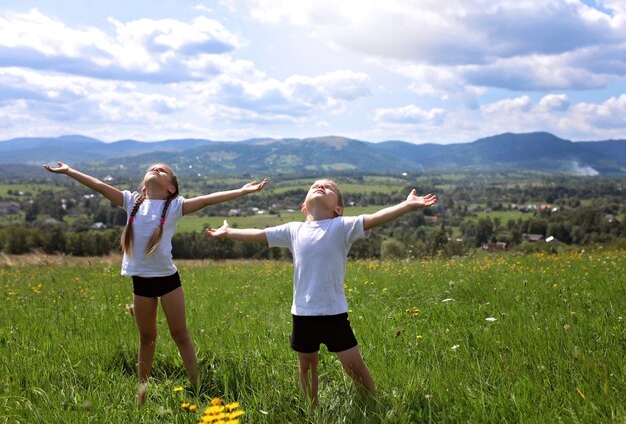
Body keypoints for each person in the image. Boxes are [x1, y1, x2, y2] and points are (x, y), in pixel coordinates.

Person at [43, 161, 268, 405]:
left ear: (171, 188)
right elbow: (99, 186)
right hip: (141, 283)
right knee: (147, 338)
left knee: (180, 334)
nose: (155, 170)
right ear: (144, 184)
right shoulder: (131, 201)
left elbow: (207, 199)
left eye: (163, 171)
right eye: (153, 168)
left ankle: (196, 384)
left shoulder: (174, 206)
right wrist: (69, 171)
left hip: (168, 281)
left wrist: (243, 191)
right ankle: (142, 393)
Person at [206, 179, 437, 407]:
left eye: (328, 188)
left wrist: (407, 205)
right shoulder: (292, 230)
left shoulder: (341, 226)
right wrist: (229, 231)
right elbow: (260, 234)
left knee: (353, 366)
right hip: (302, 314)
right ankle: (311, 410)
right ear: (304, 207)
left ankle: (372, 403)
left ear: (338, 209)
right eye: (315, 185)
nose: (320, 187)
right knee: (306, 365)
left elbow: (376, 218)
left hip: (333, 313)